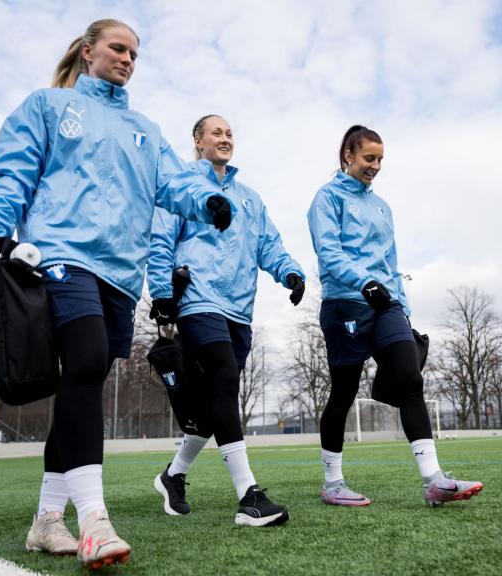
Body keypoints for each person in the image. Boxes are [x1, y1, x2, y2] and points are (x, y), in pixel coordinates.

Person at [0, 19, 233, 568]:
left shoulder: (146, 129)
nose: (127, 59)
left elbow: (175, 184)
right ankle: (94, 519)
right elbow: (14, 168)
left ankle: (47, 521)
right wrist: (0, 226)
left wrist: (207, 200)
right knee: (88, 362)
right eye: (118, 48)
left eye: (135, 53)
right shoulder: (49, 105)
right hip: (60, 253)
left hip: (120, 272)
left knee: (82, 382)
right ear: (89, 51)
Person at [306, 125, 483, 507]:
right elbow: (328, 253)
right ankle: (332, 483)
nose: (376, 166)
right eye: (369, 158)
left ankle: (434, 480)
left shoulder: (382, 207)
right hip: (346, 304)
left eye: (380, 159)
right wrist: (363, 282)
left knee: (409, 378)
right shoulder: (327, 198)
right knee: (343, 392)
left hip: (387, 305)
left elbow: (392, 263)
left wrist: (404, 309)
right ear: (348, 156)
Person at [148, 114, 305, 526]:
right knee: (222, 379)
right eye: (216, 132)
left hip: (239, 308)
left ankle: (173, 475)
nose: (225, 138)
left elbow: (268, 244)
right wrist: (162, 295)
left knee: (212, 404)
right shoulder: (183, 188)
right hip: (197, 300)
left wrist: (290, 271)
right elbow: (160, 241)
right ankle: (248, 495)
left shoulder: (250, 198)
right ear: (197, 141)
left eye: (230, 132)